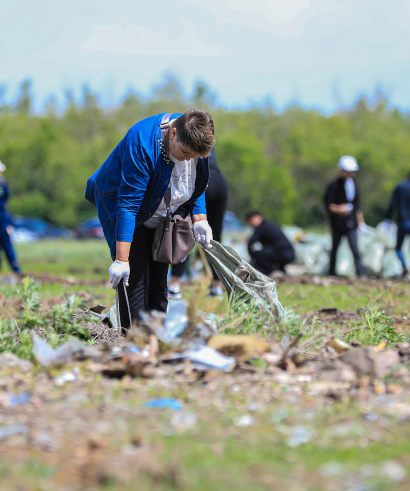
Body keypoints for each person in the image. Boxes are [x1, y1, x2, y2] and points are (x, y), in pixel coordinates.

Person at [86, 110, 214, 328]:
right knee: (134, 279)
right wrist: (121, 260)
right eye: (185, 153)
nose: (188, 159)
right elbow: (128, 204)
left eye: (194, 156)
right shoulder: (143, 142)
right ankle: (133, 340)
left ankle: (156, 337)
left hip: (161, 210)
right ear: (173, 133)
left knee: (158, 280)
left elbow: (195, 180)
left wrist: (200, 217)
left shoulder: (195, 134)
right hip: (121, 203)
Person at [168, 149, 227, 298]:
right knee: (215, 237)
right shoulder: (208, 139)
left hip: (203, 182)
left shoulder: (188, 135)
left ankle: (174, 285)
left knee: (183, 233)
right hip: (220, 182)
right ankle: (217, 287)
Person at [324, 155, 366, 277]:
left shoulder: (354, 185)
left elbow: (357, 206)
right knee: (335, 249)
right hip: (337, 223)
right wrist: (339, 209)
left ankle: (361, 274)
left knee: (355, 249)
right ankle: (332, 273)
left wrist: (361, 222)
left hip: (351, 223)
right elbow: (328, 205)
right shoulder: (333, 186)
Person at [245, 211, 296, 276]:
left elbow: (251, 243)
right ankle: (281, 271)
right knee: (267, 251)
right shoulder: (269, 224)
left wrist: (251, 254)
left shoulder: (262, 227)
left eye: (250, 221)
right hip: (288, 253)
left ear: (257, 217)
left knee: (257, 253)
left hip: (283, 254)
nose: (250, 224)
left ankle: (272, 272)